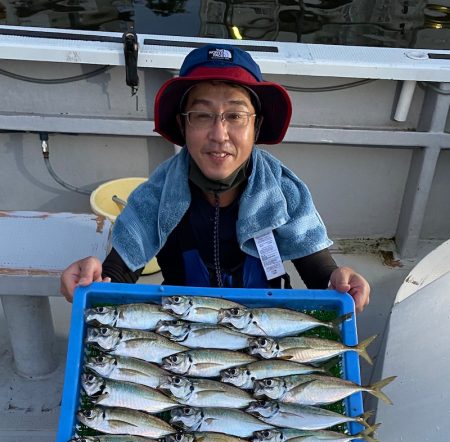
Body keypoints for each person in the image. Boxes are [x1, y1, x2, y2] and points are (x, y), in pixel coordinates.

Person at [60, 44, 370, 311]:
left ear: (256, 127)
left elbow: (319, 269)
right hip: (182, 321)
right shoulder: (156, 194)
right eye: (202, 115)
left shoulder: (284, 192)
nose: (219, 135)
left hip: (265, 319)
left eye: (235, 116)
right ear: (183, 127)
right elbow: (122, 265)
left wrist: (338, 278)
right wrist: (96, 278)